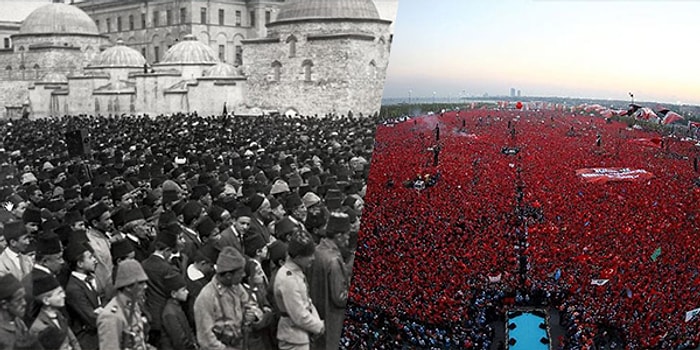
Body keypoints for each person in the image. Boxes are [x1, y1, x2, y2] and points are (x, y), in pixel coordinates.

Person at [194, 246, 261, 350]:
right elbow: (206, 340)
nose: (243, 275)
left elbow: (250, 305)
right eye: (240, 273)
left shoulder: (237, 287)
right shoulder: (206, 298)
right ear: (228, 275)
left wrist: (253, 315)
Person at [273, 231, 324, 350]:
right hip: (293, 336)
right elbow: (299, 315)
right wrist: (319, 326)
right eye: (309, 255)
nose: (313, 258)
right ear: (298, 257)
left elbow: (307, 302)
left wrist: (317, 322)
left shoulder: (296, 272)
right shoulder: (288, 278)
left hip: (300, 334)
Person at [309, 212, 350, 350]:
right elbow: (339, 297)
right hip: (333, 320)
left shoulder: (316, 251)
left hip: (318, 315)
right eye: (347, 234)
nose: (348, 238)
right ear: (339, 236)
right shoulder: (333, 260)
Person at [97, 259, 152, 350]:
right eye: (141, 283)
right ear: (128, 287)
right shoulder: (111, 316)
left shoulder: (133, 305)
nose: (145, 286)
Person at [141, 224, 181, 347]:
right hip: (166, 314)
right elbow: (176, 291)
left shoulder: (143, 264)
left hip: (150, 314)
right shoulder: (167, 269)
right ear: (166, 250)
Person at [64, 239, 104, 350]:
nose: (95, 260)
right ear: (80, 264)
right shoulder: (74, 288)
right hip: (88, 341)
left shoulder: (89, 280)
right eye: (90, 258)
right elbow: (90, 317)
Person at [30, 274, 81, 350]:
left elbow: (73, 341)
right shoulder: (37, 327)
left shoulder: (60, 316)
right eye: (59, 293)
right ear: (46, 300)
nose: (63, 295)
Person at [0, 274, 41, 349]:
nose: (24, 303)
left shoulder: (18, 321)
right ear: (4, 304)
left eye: (24, 298)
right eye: (19, 300)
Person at [160, 271, 197, 350]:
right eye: (183, 290)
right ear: (173, 294)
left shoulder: (177, 307)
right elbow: (179, 341)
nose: (187, 292)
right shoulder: (170, 313)